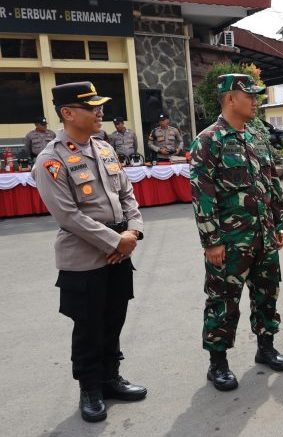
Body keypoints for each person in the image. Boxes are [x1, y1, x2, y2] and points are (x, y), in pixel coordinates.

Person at [31, 81, 146, 422]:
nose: (100, 112)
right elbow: (68, 215)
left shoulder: (104, 149)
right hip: (84, 257)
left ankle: (111, 378)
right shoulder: (51, 160)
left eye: (100, 106)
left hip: (120, 249)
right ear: (67, 113)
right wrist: (116, 242)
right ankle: (90, 388)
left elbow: (128, 195)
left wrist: (133, 231)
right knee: (88, 327)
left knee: (114, 319)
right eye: (91, 107)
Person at [189, 74, 283, 392]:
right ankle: (217, 364)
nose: (255, 100)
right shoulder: (208, 140)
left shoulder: (257, 136)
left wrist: (279, 223)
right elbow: (201, 194)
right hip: (230, 241)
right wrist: (211, 240)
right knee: (223, 301)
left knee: (267, 293)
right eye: (250, 95)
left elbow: (272, 182)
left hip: (263, 236)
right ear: (231, 98)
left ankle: (266, 346)